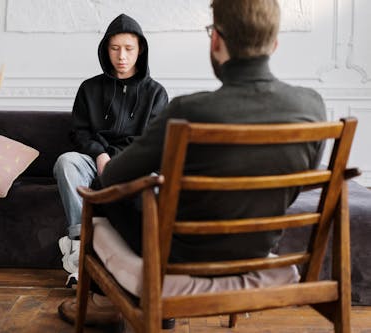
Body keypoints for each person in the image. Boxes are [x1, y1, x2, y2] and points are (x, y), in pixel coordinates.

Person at [58, 0, 327, 326]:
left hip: (180, 254)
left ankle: (111, 300)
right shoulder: (311, 106)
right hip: (256, 250)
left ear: (215, 41)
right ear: (274, 43)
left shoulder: (188, 110)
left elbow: (113, 176)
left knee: (105, 190)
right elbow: (302, 180)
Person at [53, 13, 168, 287]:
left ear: (141, 50)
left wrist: (116, 161)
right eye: (115, 48)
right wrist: (100, 154)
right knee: (66, 162)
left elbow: (151, 141)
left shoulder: (156, 93)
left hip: (134, 164)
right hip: (95, 160)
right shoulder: (89, 88)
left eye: (129, 49)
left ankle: (92, 262)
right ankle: (81, 245)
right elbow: (79, 132)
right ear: (106, 49)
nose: (122, 56)